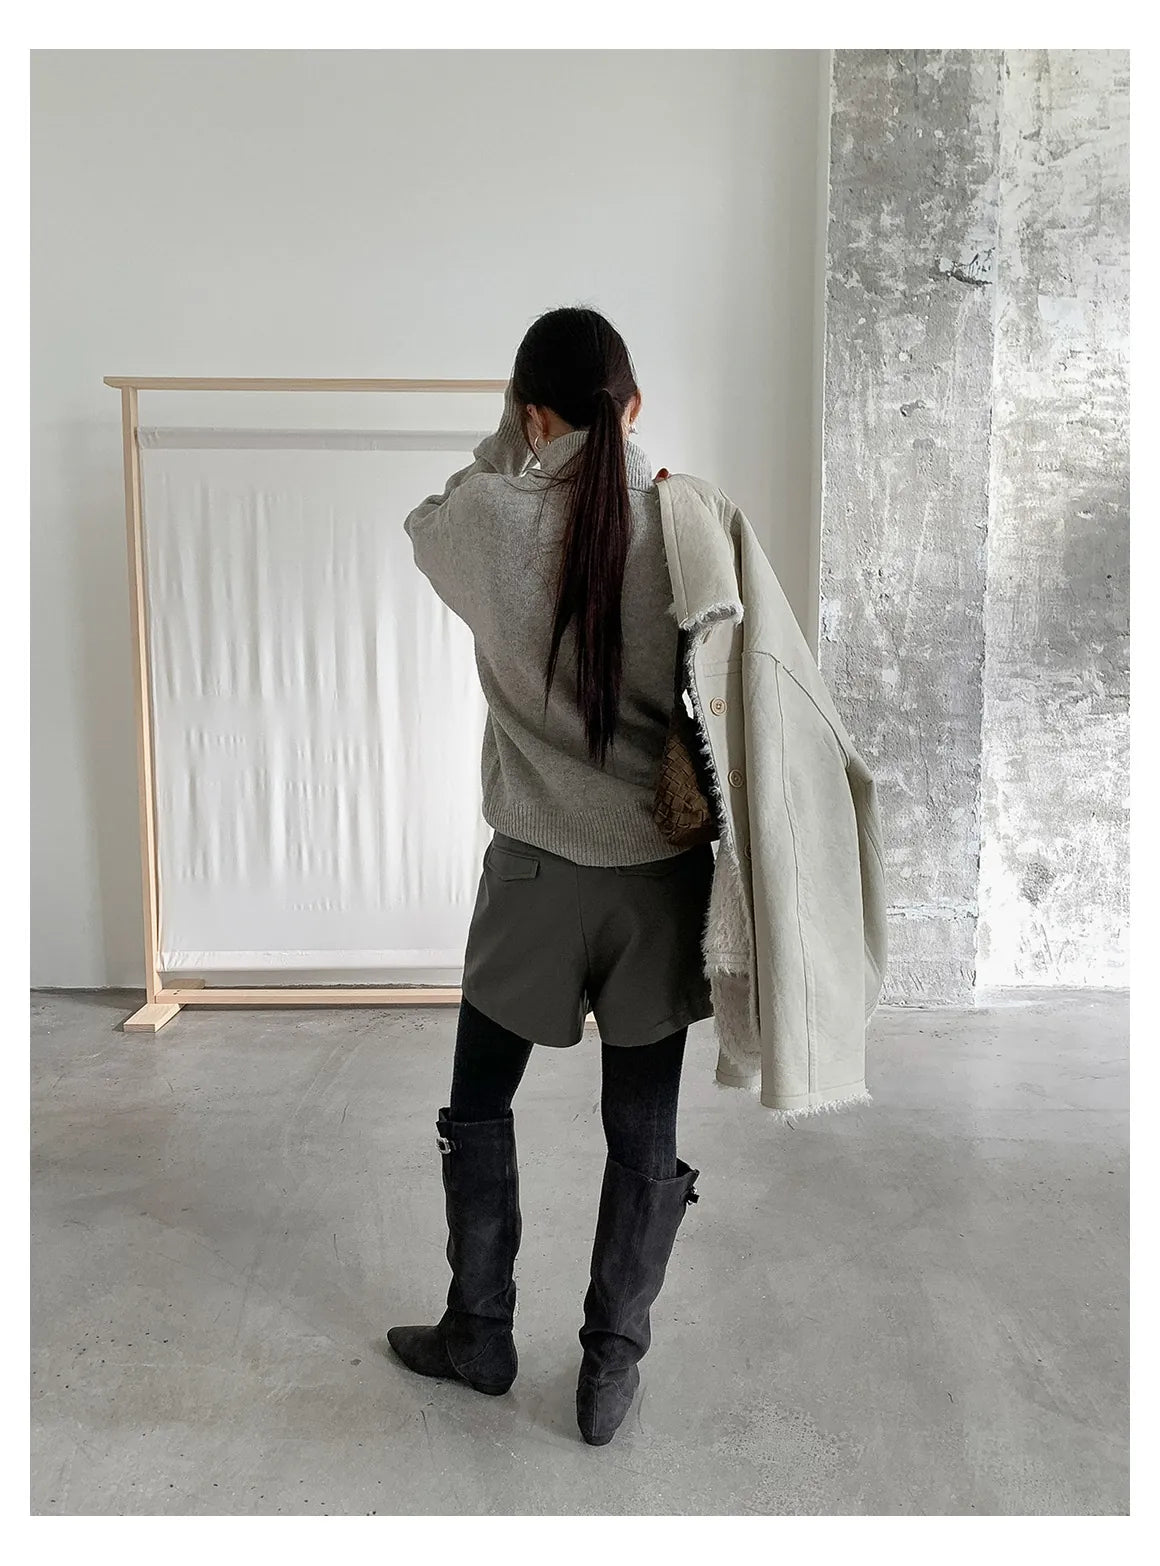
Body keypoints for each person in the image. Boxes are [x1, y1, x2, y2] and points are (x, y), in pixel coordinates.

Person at [387, 306, 711, 1447]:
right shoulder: (684, 521)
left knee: (480, 1104)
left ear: (531, 414)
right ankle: (609, 1370)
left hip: (533, 873)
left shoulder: (486, 518)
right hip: (656, 883)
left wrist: (508, 444)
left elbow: (425, 521)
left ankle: (478, 1334)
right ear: (632, 407)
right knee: (642, 1130)